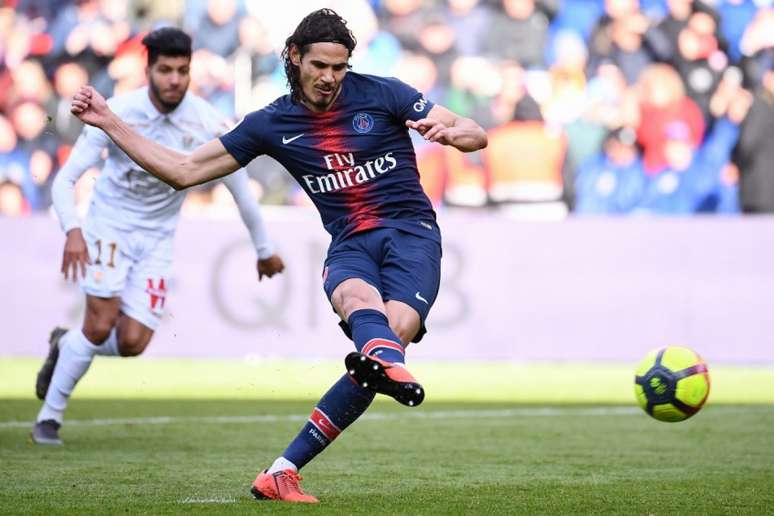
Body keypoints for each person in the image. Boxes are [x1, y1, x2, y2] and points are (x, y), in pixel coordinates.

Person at [69, 9, 487, 504]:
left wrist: (452, 135)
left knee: (386, 340)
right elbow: (182, 169)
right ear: (294, 57)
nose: (330, 77)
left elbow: (472, 131)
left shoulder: (386, 92)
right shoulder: (272, 122)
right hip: (350, 243)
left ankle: (284, 468)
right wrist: (110, 122)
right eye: (320, 66)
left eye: (339, 67)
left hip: (412, 235)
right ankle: (319, 432)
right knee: (356, 305)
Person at [31, 27, 285, 446]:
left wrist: (263, 249)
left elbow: (240, 189)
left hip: (157, 241)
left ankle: (65, 345)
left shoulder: (205, 120)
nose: (174, 80)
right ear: (147, 70)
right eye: (165, 70)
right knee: (99, 324)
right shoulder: (115, 112)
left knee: (132, 343)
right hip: (107, 227)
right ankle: (49, 419)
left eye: (182, 71)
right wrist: (73, 231)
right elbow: (66, 181)